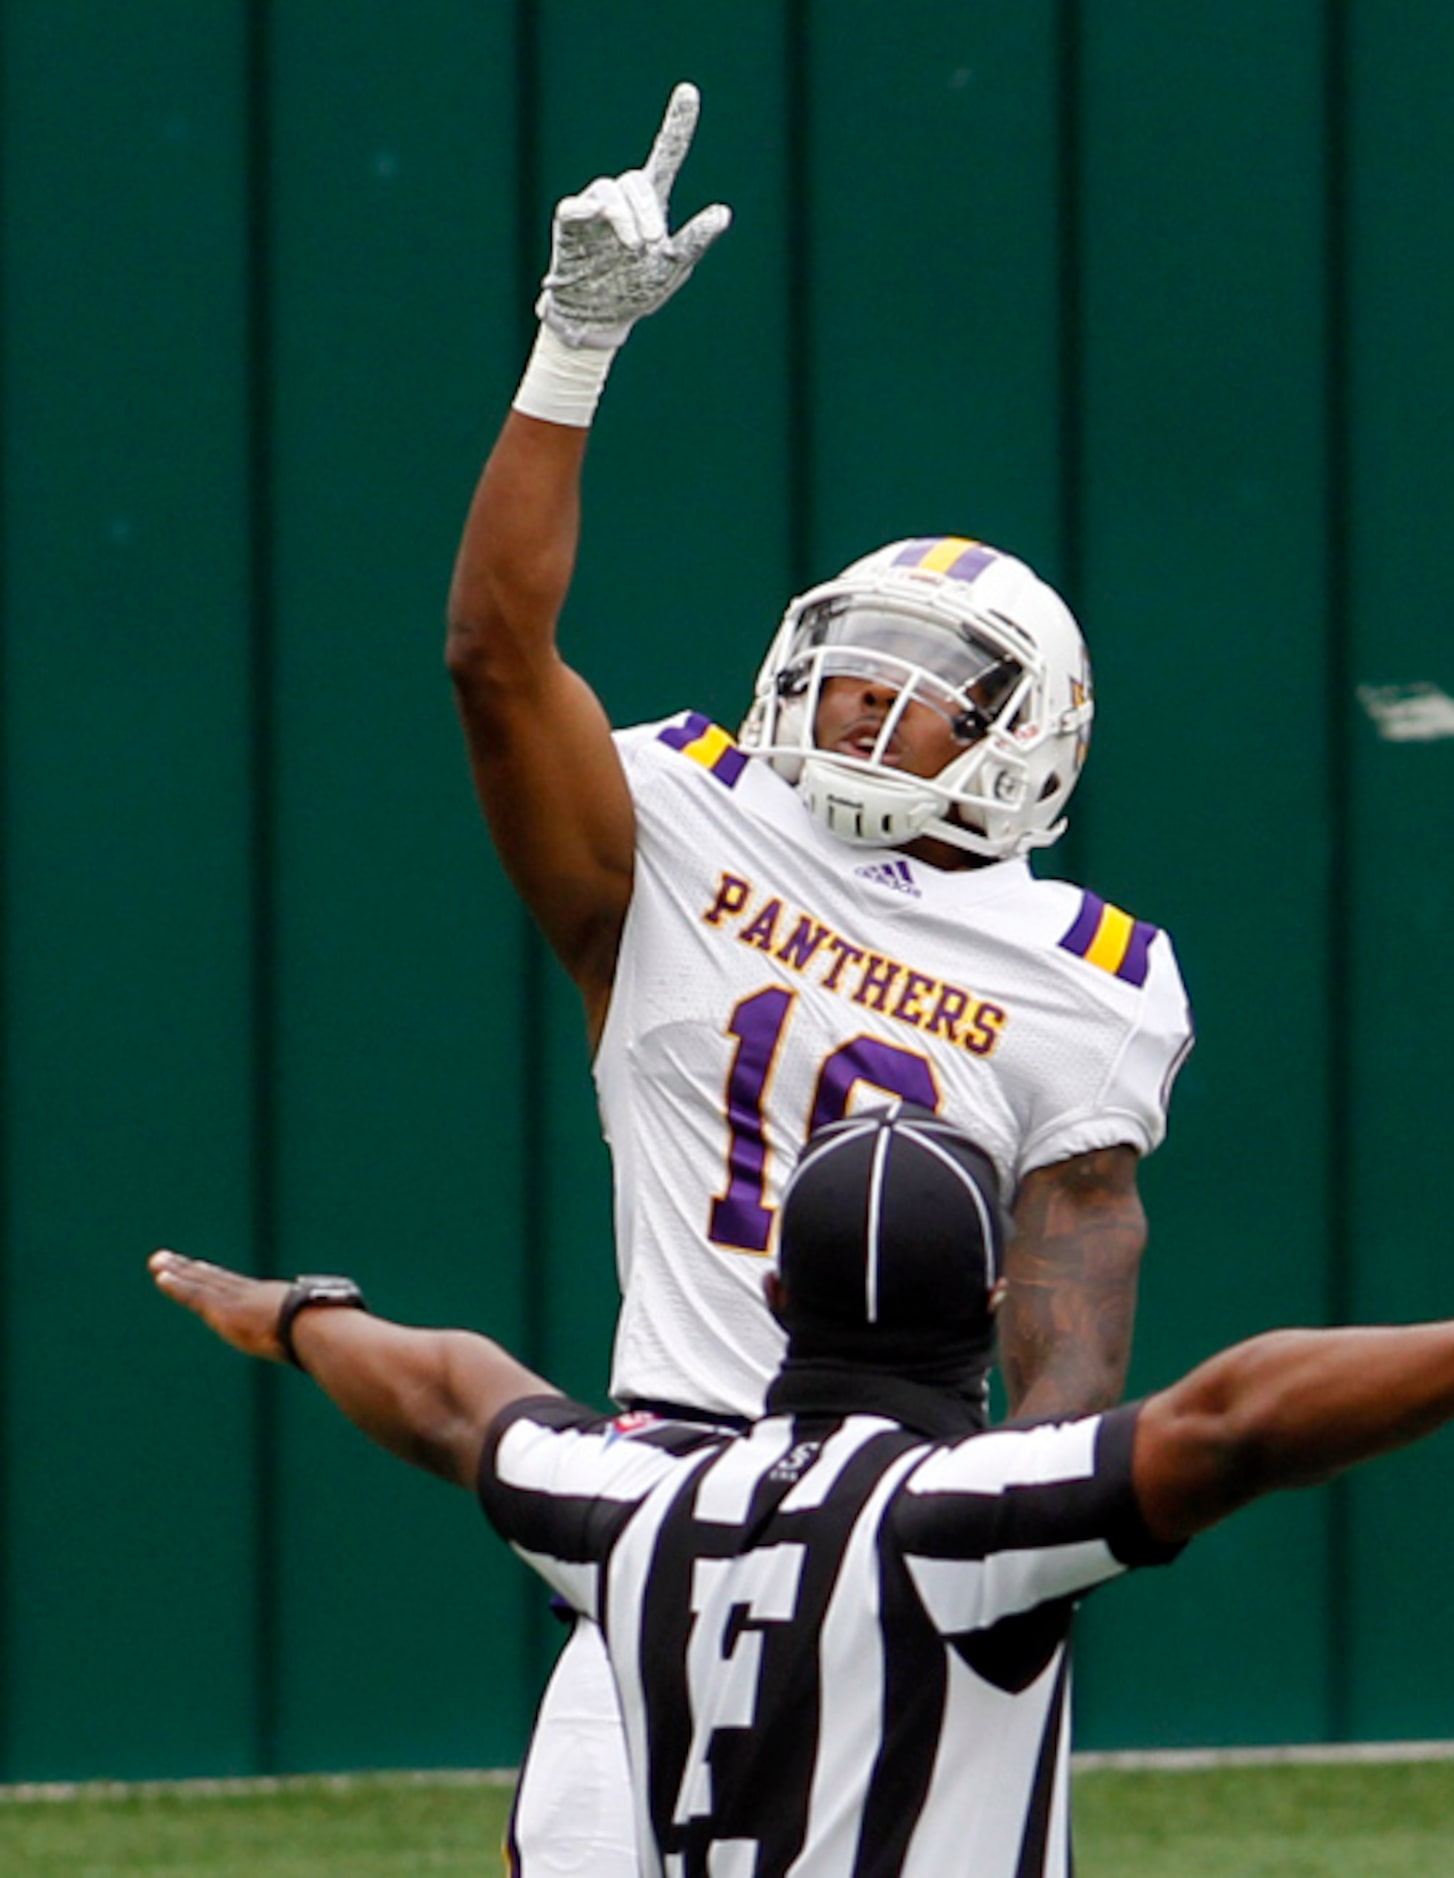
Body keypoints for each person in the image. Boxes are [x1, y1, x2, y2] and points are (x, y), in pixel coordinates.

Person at [444, 81, 1193, 1871]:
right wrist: (570, 350)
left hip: (913, 1504)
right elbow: (491, 653)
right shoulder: (687, 817)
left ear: (1026, 740)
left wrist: (1038, 1494)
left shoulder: (1090, 968)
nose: (863, 689)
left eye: (926, 672)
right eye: (851, 654)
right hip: (671, 1478)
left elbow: (1076, 1245)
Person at [149, 1106, 1454, 1878]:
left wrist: (289, 1313)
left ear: (774, 1294)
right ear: (986, 1306)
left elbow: (444, 1394)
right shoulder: (962, 1517)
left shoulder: (630, 1498)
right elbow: (1232, 1421)